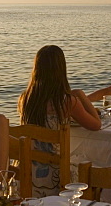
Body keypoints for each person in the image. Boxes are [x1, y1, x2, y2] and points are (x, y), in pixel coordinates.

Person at [19, 45, 102, 196]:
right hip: (54, 173)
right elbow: (96, 125)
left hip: (28, 169)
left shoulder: (26, 98)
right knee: (96, 166)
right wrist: (81, 95)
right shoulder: (66, 101)